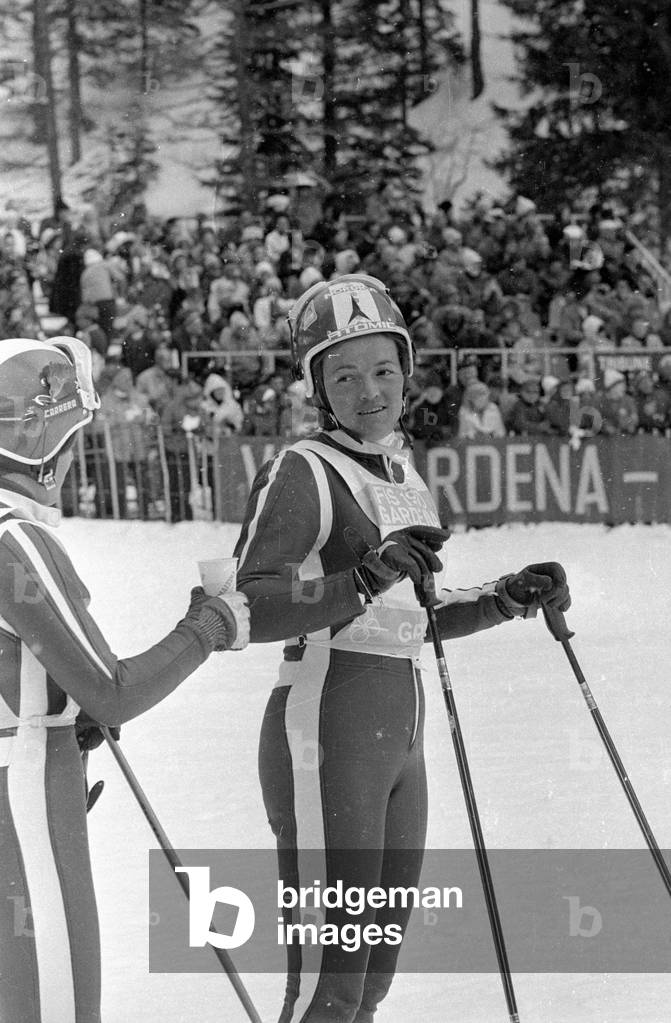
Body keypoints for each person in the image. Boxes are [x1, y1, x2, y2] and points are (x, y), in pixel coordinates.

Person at [233, 274, 570, 1023]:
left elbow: (407, 612)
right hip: (327, 727)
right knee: (327, 986)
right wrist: (360, 576)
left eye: (383, 370)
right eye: (343, 375)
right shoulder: (303, 469)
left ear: (408, 372)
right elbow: (247, 606)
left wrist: (500, 597)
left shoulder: (403, 473)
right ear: (317, 386)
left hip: (398, 737)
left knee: (371, 983)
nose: (367, 391)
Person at [0, 336, 250, 1023]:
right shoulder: (13, 539)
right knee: (55, 1006)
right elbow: (114, 689)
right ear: (38, 436)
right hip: (24, 789)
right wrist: (209, 624)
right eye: (73, 432)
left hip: (24, 773)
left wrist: (59, 705)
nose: (77, 452)